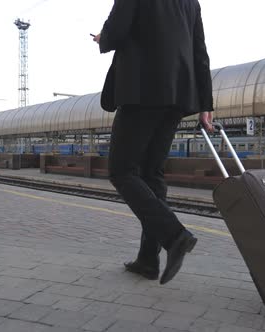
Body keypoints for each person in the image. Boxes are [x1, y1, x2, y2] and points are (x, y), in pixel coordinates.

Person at [93, 0, 214, 285]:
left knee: (122, 171)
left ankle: (174, 236)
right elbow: (200, 52)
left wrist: (103, 37)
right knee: (151, 174)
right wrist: (206, 104)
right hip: (179, 95)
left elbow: (118, 30)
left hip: (141, 89)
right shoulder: (190, 2)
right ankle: (148, 259)